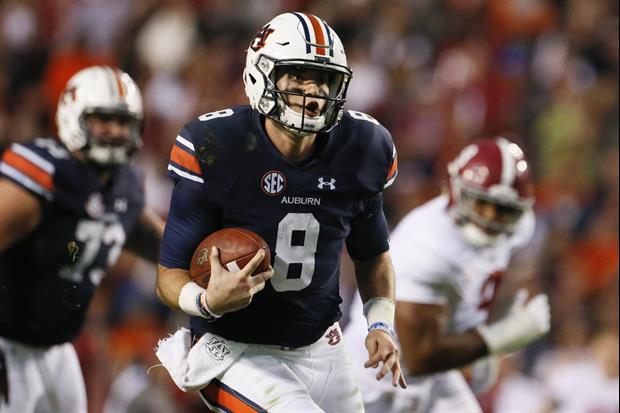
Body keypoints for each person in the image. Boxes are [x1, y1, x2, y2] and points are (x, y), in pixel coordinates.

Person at [155, 12, 406, 413]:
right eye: (299, 76)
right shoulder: (216, 147)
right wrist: (207, 302)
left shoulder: (364, 147)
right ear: (261, 75)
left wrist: (379, 324)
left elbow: (373, 253)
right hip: (234, 350)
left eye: (323, 79)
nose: (313, 91)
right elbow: (169, 275)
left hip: (321, 345)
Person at [344, 136, 551, 413]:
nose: (489, 217)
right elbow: (419, 357)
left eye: (502, 209)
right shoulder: (426, 246)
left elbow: (478, 284)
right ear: (454, 190)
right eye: (481, 202)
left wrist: (489, 326)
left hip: (432, 378)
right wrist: (496, 339)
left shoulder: (514, 230)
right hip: (374, 381)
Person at [0, 65, 164, 413]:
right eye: (103, 119)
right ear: (74, 115)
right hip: (8, 344)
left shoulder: (124, 184)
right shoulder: (45, 172)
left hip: (58, 348)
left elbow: (146, 236)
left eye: (124, 122)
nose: (115, 131)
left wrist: (202, 260)